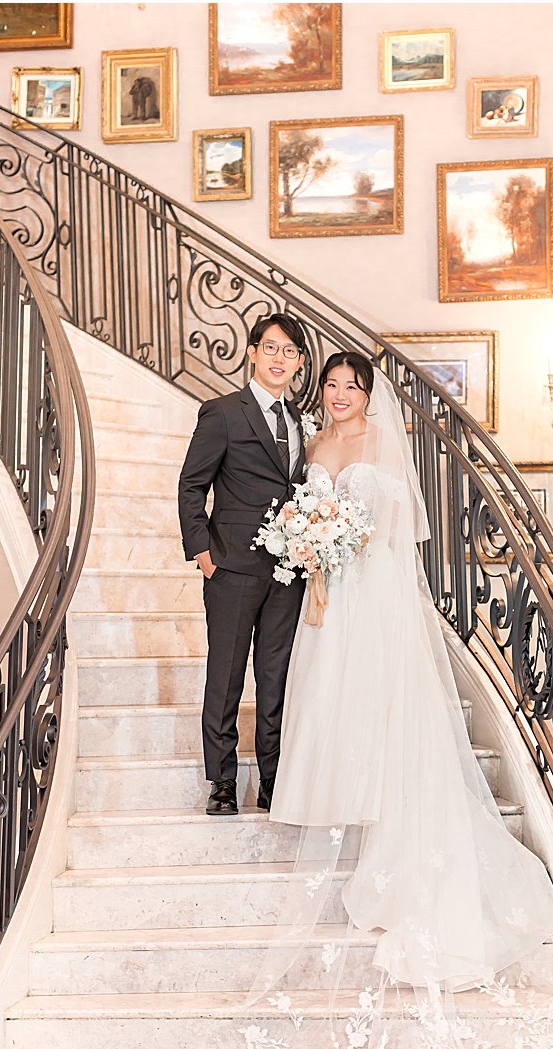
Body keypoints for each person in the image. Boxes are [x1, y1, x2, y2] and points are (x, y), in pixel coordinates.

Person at [247, 352, 553, 1049]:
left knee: (376, 697)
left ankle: (383, 799)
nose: (337, 396)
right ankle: (333, 788)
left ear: (368, 395)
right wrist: (312, 545)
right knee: (328, 694)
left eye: (350, 387)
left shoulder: (383, 442)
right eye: (329, 385)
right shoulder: (315, 445)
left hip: (374, 589)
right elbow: (311, 510)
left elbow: (393, 525)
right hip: (329, 592)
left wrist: (339, 540)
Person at [178, 313, 308, 817]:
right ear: (252, 352)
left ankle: (272, 780)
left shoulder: (299, 421)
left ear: (298, 363)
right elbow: (193, 483)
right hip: (231, 566)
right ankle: (223, 782)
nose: (280, 359)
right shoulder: (223, 412)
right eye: (271, 348)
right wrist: (202, 551)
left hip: (289, 570)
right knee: (226, 674)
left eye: (290, 352)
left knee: (275, 677)